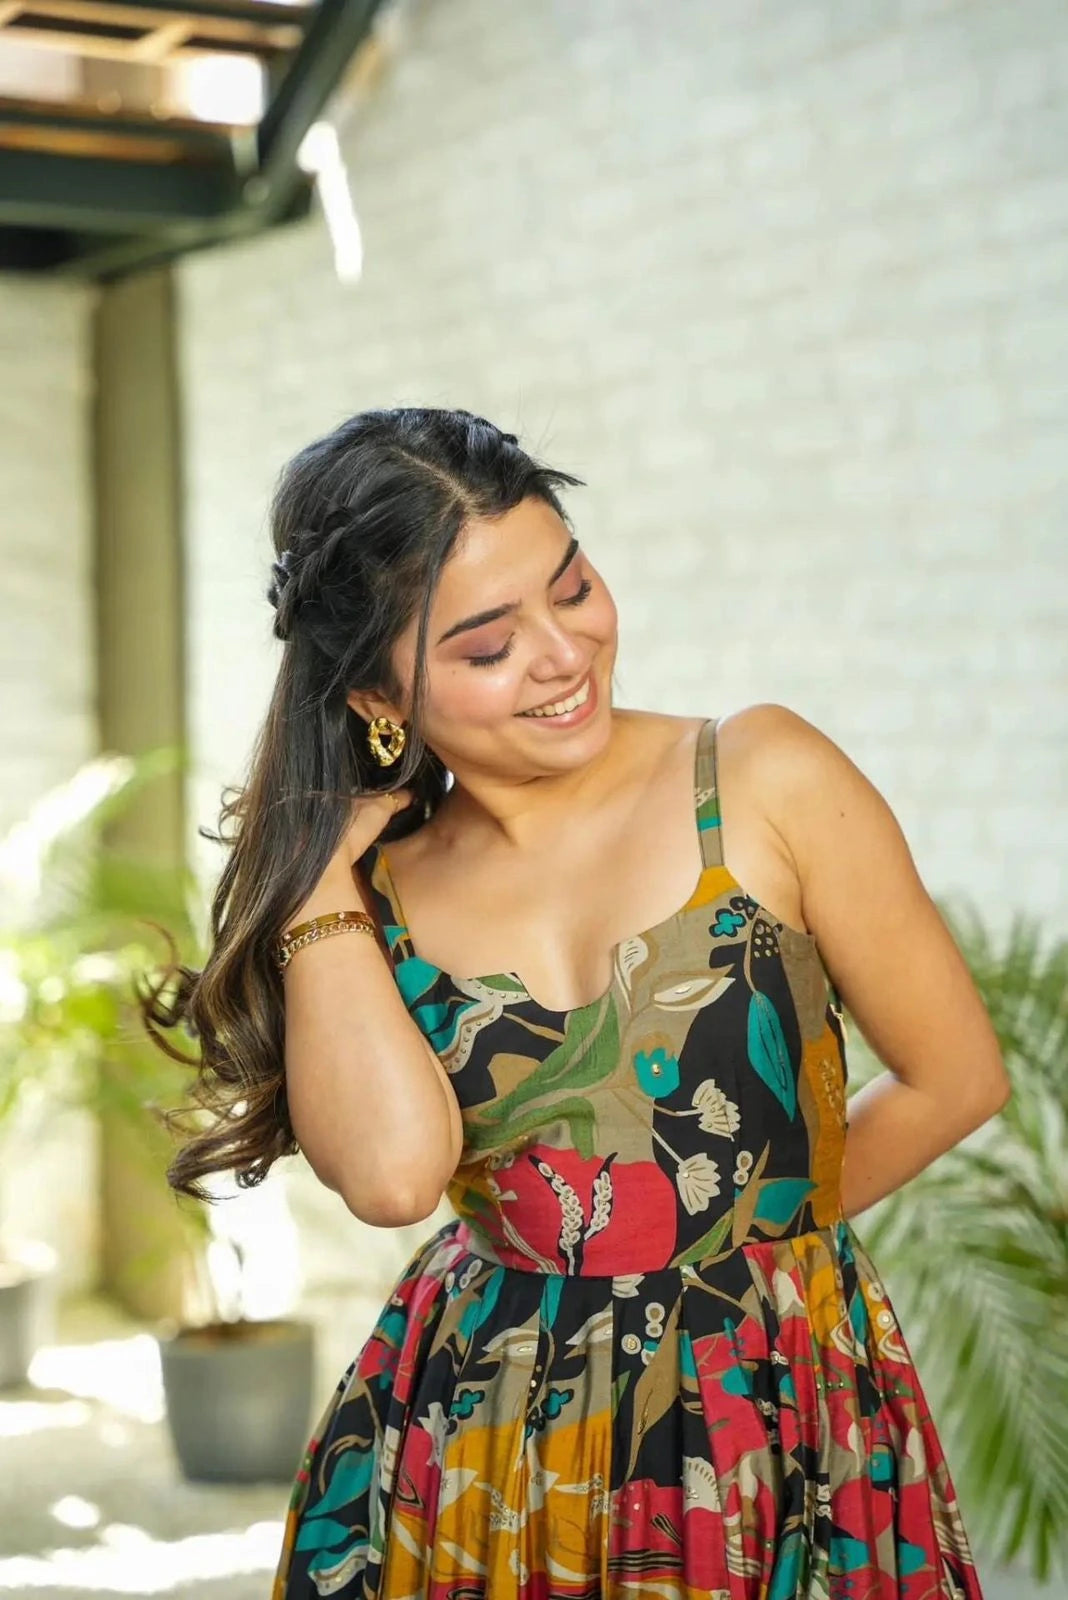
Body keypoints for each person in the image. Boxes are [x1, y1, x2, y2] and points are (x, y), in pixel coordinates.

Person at [143, 406, 1008, 1598]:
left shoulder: (760, 778)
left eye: (575, 585)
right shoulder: (369, 893)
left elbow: (959, 1075)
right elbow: (395, 1182)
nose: (565, 654)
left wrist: (723, 1259)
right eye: (488, 646)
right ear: (378, 693)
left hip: (768, 1395)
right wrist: (313, 893)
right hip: (483, 1428)